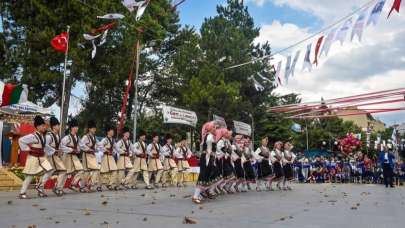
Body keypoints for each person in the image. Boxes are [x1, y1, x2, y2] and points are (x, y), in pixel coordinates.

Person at [18, 115, 53, 199]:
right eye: (42, 126)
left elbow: (46, 147)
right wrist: (28, 149)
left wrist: (54, 151)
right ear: (37, 127)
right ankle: (22, 192)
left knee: (50, 170)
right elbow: (21, 140)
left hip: (41, 158)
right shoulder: (33, 136)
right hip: (33, 158)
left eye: (44, 125)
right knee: (30, 175)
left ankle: (39, 186)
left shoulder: (43, 137)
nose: (44, 127)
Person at [192, 121, 216, 204]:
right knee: (203, 176)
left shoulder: (208, 136)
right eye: (214, 127)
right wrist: (210, 158)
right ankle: (195, 196)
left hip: (207, 158)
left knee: (206, 176)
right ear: (210, 128)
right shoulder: (209, 136)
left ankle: (200, 194)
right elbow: (209, 150)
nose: (215, 129)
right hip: (206, 158)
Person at [61, 119, 86, 193]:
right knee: (66, 172)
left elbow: (81, 146)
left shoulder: (77, 137)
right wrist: (71, 149)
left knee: (81, 170)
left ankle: (73, 184)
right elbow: (61, 146)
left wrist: (79, 149)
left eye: (77, 127)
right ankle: (59, 187)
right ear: (71, 128)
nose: (77, 128)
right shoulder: (67, 138)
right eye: (75, 127)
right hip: (67, 156)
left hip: (74, 156)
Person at [45, 116, 67, 196]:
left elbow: (60, 146)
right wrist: (54, 151)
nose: (59, 126)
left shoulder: (57, 136)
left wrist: (60, 151)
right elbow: (45, 146)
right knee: (60, 170)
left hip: (55, 157)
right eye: (57, 125)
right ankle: (56, 187)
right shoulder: (49, 136)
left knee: (52, 172)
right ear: (53, 126)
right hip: (51, 157)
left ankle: (57, 187)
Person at [79, 120, 101, 192]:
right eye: (93, 128)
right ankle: (82, 186)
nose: (95, 130)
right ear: (89, 129)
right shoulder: (86, 137)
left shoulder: (94, 137)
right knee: (86, 171)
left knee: (96, 169)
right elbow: (81, 145)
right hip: (86, 155)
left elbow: (98, 145)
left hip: (92, 155)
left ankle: (89, 184)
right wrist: (89, 149)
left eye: (95, 128)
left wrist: (96, 149)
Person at [98, 125, 119, 190]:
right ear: (108, 132)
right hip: (105, 157)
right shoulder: (105, 139)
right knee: (103, 172)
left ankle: (110, 184)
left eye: (113, 131)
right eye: (111, 131)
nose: (113, 132)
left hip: (111, 158)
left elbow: (116, 149)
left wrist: (113, 152)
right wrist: (106, 150)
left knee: (115, 170)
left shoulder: (113, 140)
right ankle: (99, 185)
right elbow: (100, 146)